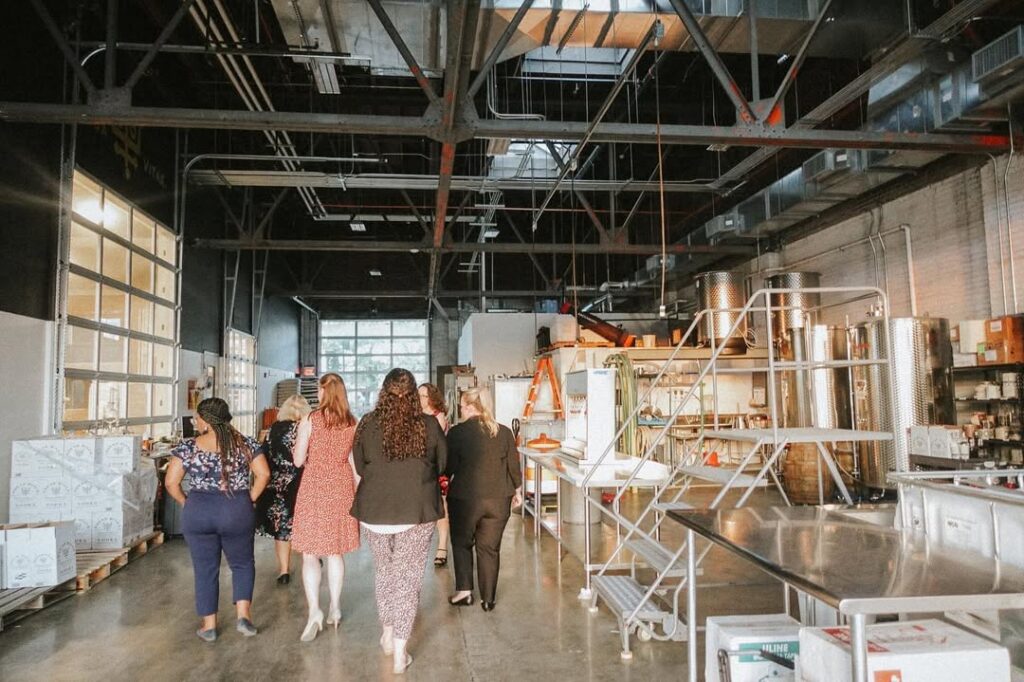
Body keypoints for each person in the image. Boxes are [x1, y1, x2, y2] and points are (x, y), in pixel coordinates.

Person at [352, 369, 447, 675]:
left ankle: (388, 632)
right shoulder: (429, 424)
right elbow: (442, 463)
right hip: (415, 509)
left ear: (384, 392)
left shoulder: (368, 422)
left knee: (384, 572)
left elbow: (359, 462)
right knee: (406, 580)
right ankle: (399, 653)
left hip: (375, 509)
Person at [165, 397, 270, 642]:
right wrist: (250, 498)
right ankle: (244, 617)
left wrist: (186, 502)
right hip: (236, 509)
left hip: (199, 511)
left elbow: (171, 482)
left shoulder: (188, 447)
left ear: (205, 420)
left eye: (197, 417)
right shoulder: (245, 443)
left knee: (205, 569)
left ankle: (209, 625)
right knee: (242, 563)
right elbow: (263, 473)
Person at [290, 373, 360, 642]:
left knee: (310, 553)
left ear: (324, 392)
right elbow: (355, 465)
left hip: (314, 487)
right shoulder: (352, 423)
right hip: (342, 487)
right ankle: (335, 608)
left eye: (319, 391)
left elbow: (297, 460)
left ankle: (314, 612)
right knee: (335, 552)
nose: (317, 395)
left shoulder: (311, 420)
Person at [445, 388, 522, 613]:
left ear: (470, 406)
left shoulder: (457, 433)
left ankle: (465, 592)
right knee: (489, 549)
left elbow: (449, 467)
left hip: (465, 499)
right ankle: (488, 599)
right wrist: (517, 492)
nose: (460, 408)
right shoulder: (504, 432)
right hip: (499, 499)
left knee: (462, 543)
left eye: (461, 405)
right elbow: (513, 468)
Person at [255, 394, 311, 584]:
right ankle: (310, 561)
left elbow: (263, 454)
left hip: (277, 485)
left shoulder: (272, 430)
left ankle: (284, 571)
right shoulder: (305, 429)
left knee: (281, 530)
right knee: (303, 524)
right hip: (300, 483)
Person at [418, 383, 450, 568]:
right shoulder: (416, 416)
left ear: (431, 398)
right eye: (419, 395)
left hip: (435, 467)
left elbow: (433, 445)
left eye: (423, 395)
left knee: (441, 506)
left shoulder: (438, 417)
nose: (420, 399)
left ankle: (442, 546)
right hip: (419, 469)